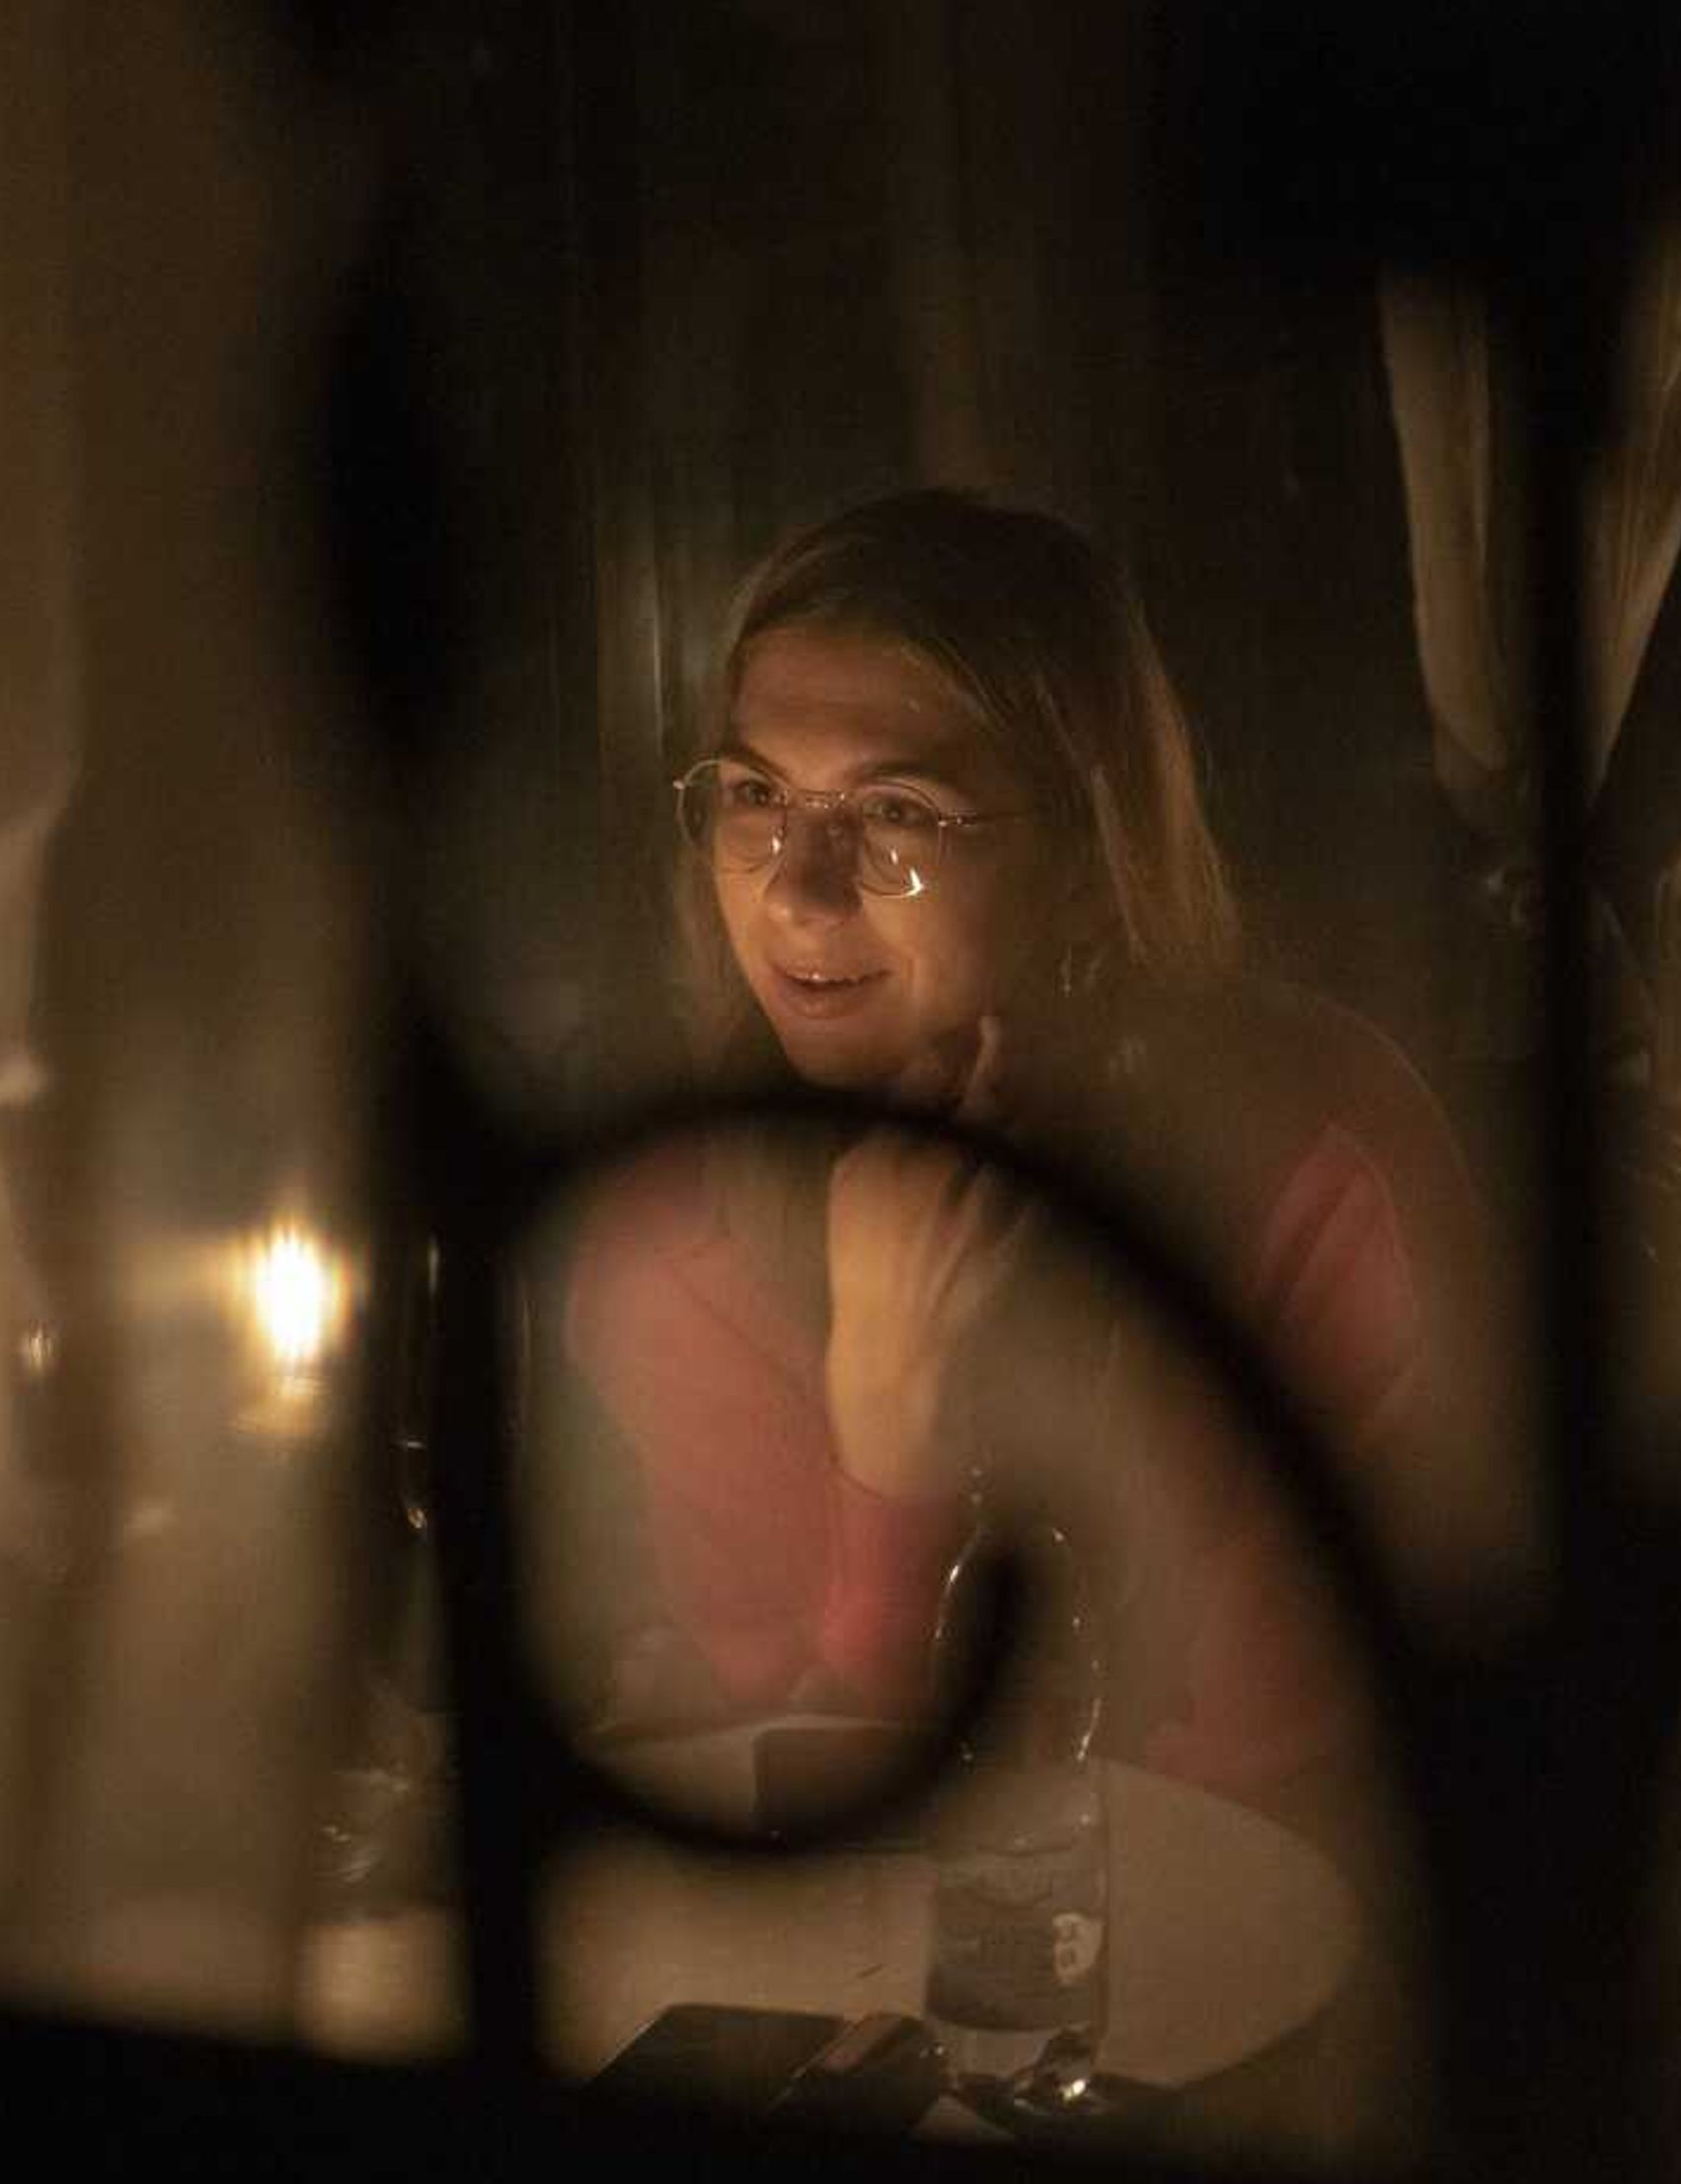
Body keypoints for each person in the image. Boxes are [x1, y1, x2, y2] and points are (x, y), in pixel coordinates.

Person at [558, 490, 1501, 1831]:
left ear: (1079, 851)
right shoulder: (676, 1231)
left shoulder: (1308, 1159)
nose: (798, 886)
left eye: (897, 812)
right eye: (757, 795)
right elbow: (809, 1832)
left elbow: (1295, 1783)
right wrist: (893, 1430)